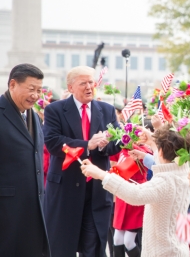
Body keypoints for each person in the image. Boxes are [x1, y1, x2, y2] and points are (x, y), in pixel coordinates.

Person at [43, 66, 121, 257]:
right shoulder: (55, 110)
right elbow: (53, 142)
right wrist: (87, 145)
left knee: (94, 246)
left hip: (96, 191)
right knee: (61, 246)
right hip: (65, 189)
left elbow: (117, 143)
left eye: (91, 82)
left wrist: (103, 145)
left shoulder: (107, 110)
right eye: (83, 83)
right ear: (70, 87)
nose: (89, 87)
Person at [81, 124, 190, 256]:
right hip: (175, 248)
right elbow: (167, 158)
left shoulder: (166, 180)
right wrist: (152, 142)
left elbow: (135, 194)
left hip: (164, 252)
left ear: (161, 151)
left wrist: (101, 174)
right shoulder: (183, 170)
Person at [0, 64, 50, 256]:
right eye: (31, 89)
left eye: (39, 90)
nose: (36, 95)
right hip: (7, 212)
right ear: (12, 84)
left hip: (34, 209)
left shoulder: (34, 117)